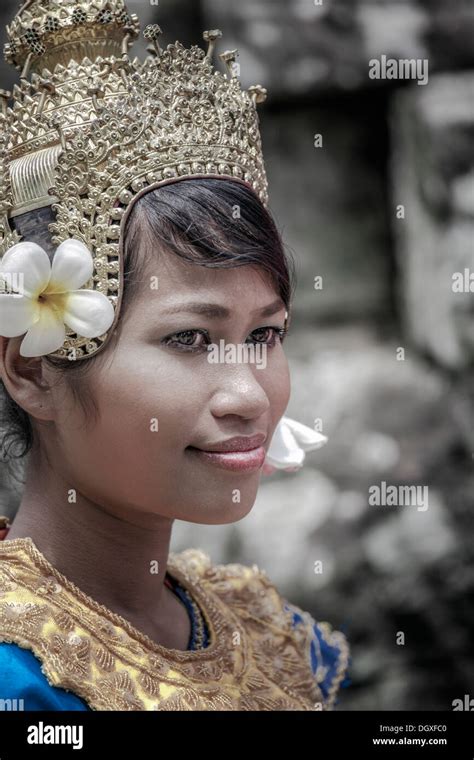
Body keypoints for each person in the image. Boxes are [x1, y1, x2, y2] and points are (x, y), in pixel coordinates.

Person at [0, 0, 349, 711]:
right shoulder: (19, 684)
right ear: (32, 369)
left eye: (265, 335)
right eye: (189, 338)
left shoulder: (275, 635)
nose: (249, 395)